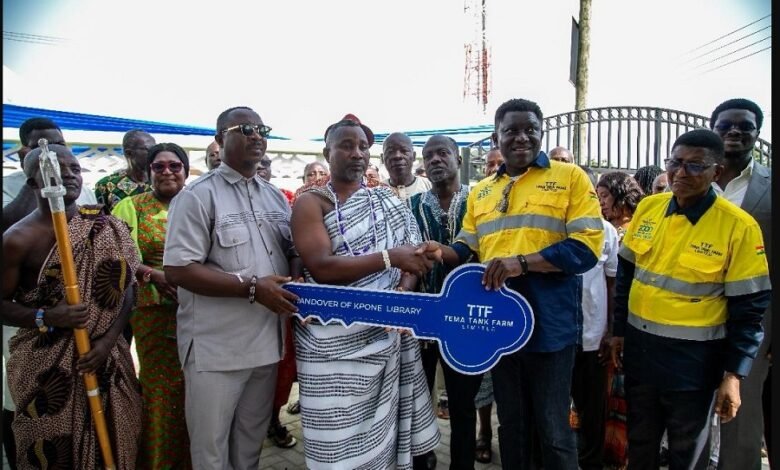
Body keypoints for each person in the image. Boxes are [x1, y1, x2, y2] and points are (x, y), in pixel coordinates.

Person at [429, 98, 604, 469]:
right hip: (500, 325)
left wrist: (521, 264)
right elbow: (466, 245)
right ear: (497, 137)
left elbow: (586, 249)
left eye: (530, 130)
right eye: (511, 131)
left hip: (550, 325)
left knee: (554, 430)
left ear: (541, 134)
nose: (521, 138)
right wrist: (438, 251)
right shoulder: (482, 191)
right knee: (512, 424)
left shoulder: (570, 178)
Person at [610, 129, 770, 468]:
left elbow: (749, 311)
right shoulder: (649, 209)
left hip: (693, 367)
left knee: (688, 453)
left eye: (696, 166)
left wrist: (733, 376)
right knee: (640, 445)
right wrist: (619, 333)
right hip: (640, 354)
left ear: (718, 172)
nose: (682, 173)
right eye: (676, 163)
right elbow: (626, 276)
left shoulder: (739, 227)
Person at [291, 115, 441, 469]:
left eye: (362, 147)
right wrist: (390, 258)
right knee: (333, 441)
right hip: (329, 343)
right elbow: (322, 267)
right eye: (346, 145)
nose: (356, 153)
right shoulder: (311, 203)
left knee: (382, 442)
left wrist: (402, 294)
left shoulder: (386, 201)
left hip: (385, 335)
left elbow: (413, 260)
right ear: (327, 152)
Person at [163, 106, 300, 469]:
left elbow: (291, 252)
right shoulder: (197, 197)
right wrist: (252, 288)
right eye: (245, 129)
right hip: (217, 349)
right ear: (221, 140)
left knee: (250, 444)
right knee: (210, 450)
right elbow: (178, 269)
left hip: (267, 346)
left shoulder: (274, 197)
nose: (256, 135)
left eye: (261, 129)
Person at [2, 144, 142, 468]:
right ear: (34, 183)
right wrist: (47, 316)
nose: (68, 175)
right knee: (51, 452)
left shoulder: (106, 227)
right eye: (56, 170)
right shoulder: (18, 239)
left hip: (105, 360)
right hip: (47, 369)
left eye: (75, 169)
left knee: (118, 442)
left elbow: (129, 289)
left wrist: (107, 343)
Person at [110, 142, 191, 469]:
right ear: (149, 172)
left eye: (175, 166)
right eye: (160, 166)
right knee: (161, 391)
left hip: (200, 312)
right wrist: (153, 274)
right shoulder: (131, 207)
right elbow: (118, 255)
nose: (168, 172)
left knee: (195, 391)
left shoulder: (201, 204)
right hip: (153, 314)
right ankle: (158, 463)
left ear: (186, 171)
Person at [410, 135, 482, 470]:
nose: (435, 160)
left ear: (457, 158)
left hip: (466, 321)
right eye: (429, 155)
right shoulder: (412, 206)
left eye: (443, 153)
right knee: (419, 400)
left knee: (463, 403)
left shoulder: (479, 200)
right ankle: (423, 462)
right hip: (423, 320)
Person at [709, 98, 772, 469]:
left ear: (757, 133)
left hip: (755, 324)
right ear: (714, 130)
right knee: (693, 418)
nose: (735, 131)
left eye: (744, 126)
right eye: (726, 125)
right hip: (693, 319)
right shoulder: (692, 182)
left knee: (741, 417)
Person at [572, 165, 620, 470]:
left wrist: (610, 331)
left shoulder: (606, 231)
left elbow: (613, 283)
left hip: (593, 339)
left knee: (592, 413)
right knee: (548, 413)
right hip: (553, 338)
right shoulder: (547, 229)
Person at [3, 118, 97, 232]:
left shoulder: (82, 189)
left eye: (60, 144)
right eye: (43, 147)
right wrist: (35, 173)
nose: (54, 151)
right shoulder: (6, 186)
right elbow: (9, 226)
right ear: (25, 152)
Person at [93, 129, 156, 213]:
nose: (154, 154)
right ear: (129, 153)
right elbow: (101, 221)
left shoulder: (161, 183)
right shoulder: (106, 185)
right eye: (149, 149)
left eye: (155, 149)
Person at [381, 132, 432, 202]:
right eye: (390, 151)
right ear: (382, 158)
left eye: (404, 151)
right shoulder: (377, 191)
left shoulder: (429, 186)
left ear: (414, 156)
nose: (397, 156)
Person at [596, 171, 644, 238]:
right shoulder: (599, 228)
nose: (601, 203)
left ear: (621, 195)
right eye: (599, 198)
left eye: (604, 196)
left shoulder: (642, 226)